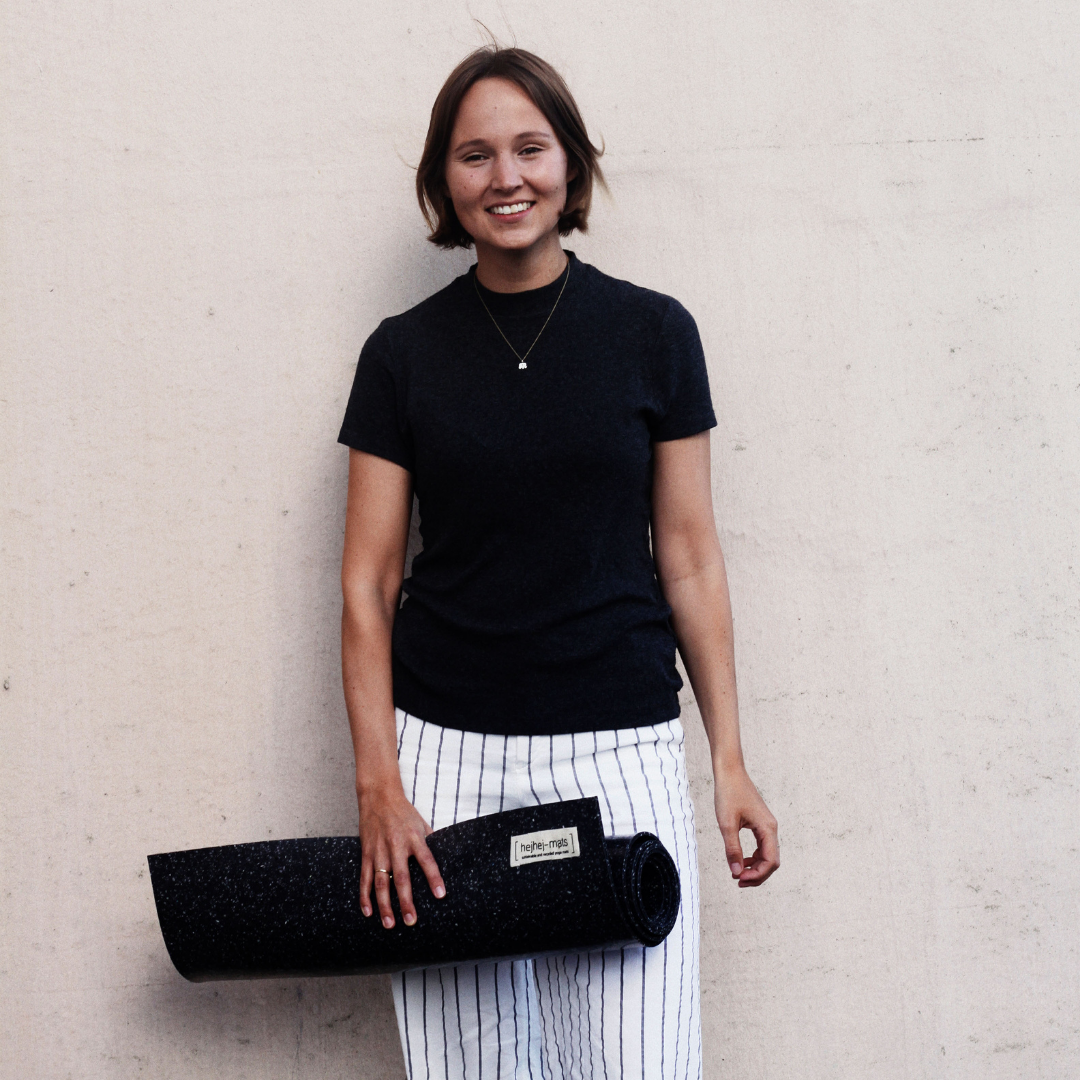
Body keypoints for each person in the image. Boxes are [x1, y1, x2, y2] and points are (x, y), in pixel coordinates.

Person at [338, 45, 779, 1080]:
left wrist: (726, 763)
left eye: (531, 148)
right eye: (475, 155)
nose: (506, 177)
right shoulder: (401, 355)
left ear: (571, 166)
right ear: (444, 181)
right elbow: (365, 582)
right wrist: (379, 788)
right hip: (444, 767)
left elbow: (690, 559)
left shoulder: (654, 335)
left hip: (621, 753)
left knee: (640, 1066)